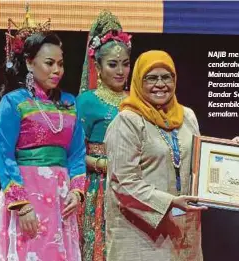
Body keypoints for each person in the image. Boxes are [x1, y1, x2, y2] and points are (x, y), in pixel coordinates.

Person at [104, 50, 207, 261]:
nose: (160, 84)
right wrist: (170, 202)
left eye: (166, 77)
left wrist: (225, 155)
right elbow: (123, 183)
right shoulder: (128, 121)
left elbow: (198, 161)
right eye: (151, 78)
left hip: (184, 232)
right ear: (139, 81)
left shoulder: (187, 116)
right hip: (141, 235)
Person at [0, 31, 86, 260]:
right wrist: (22, 205)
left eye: (61, 64)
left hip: (60, 197)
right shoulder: (13, 102)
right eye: (49, 63)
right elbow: (3, 154)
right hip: (27, 196)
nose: (57, 70)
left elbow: (76, 154)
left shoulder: (69, 103)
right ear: (29, 62)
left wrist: (76, 191)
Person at [76, 10, 131, 261]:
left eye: (126, 64)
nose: (121, 71)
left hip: (132, 186)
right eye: (112, 64)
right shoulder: (86, 102)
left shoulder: (137, 101)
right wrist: (104, 165)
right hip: (98, 187)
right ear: (97, 66)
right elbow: (75, 154)